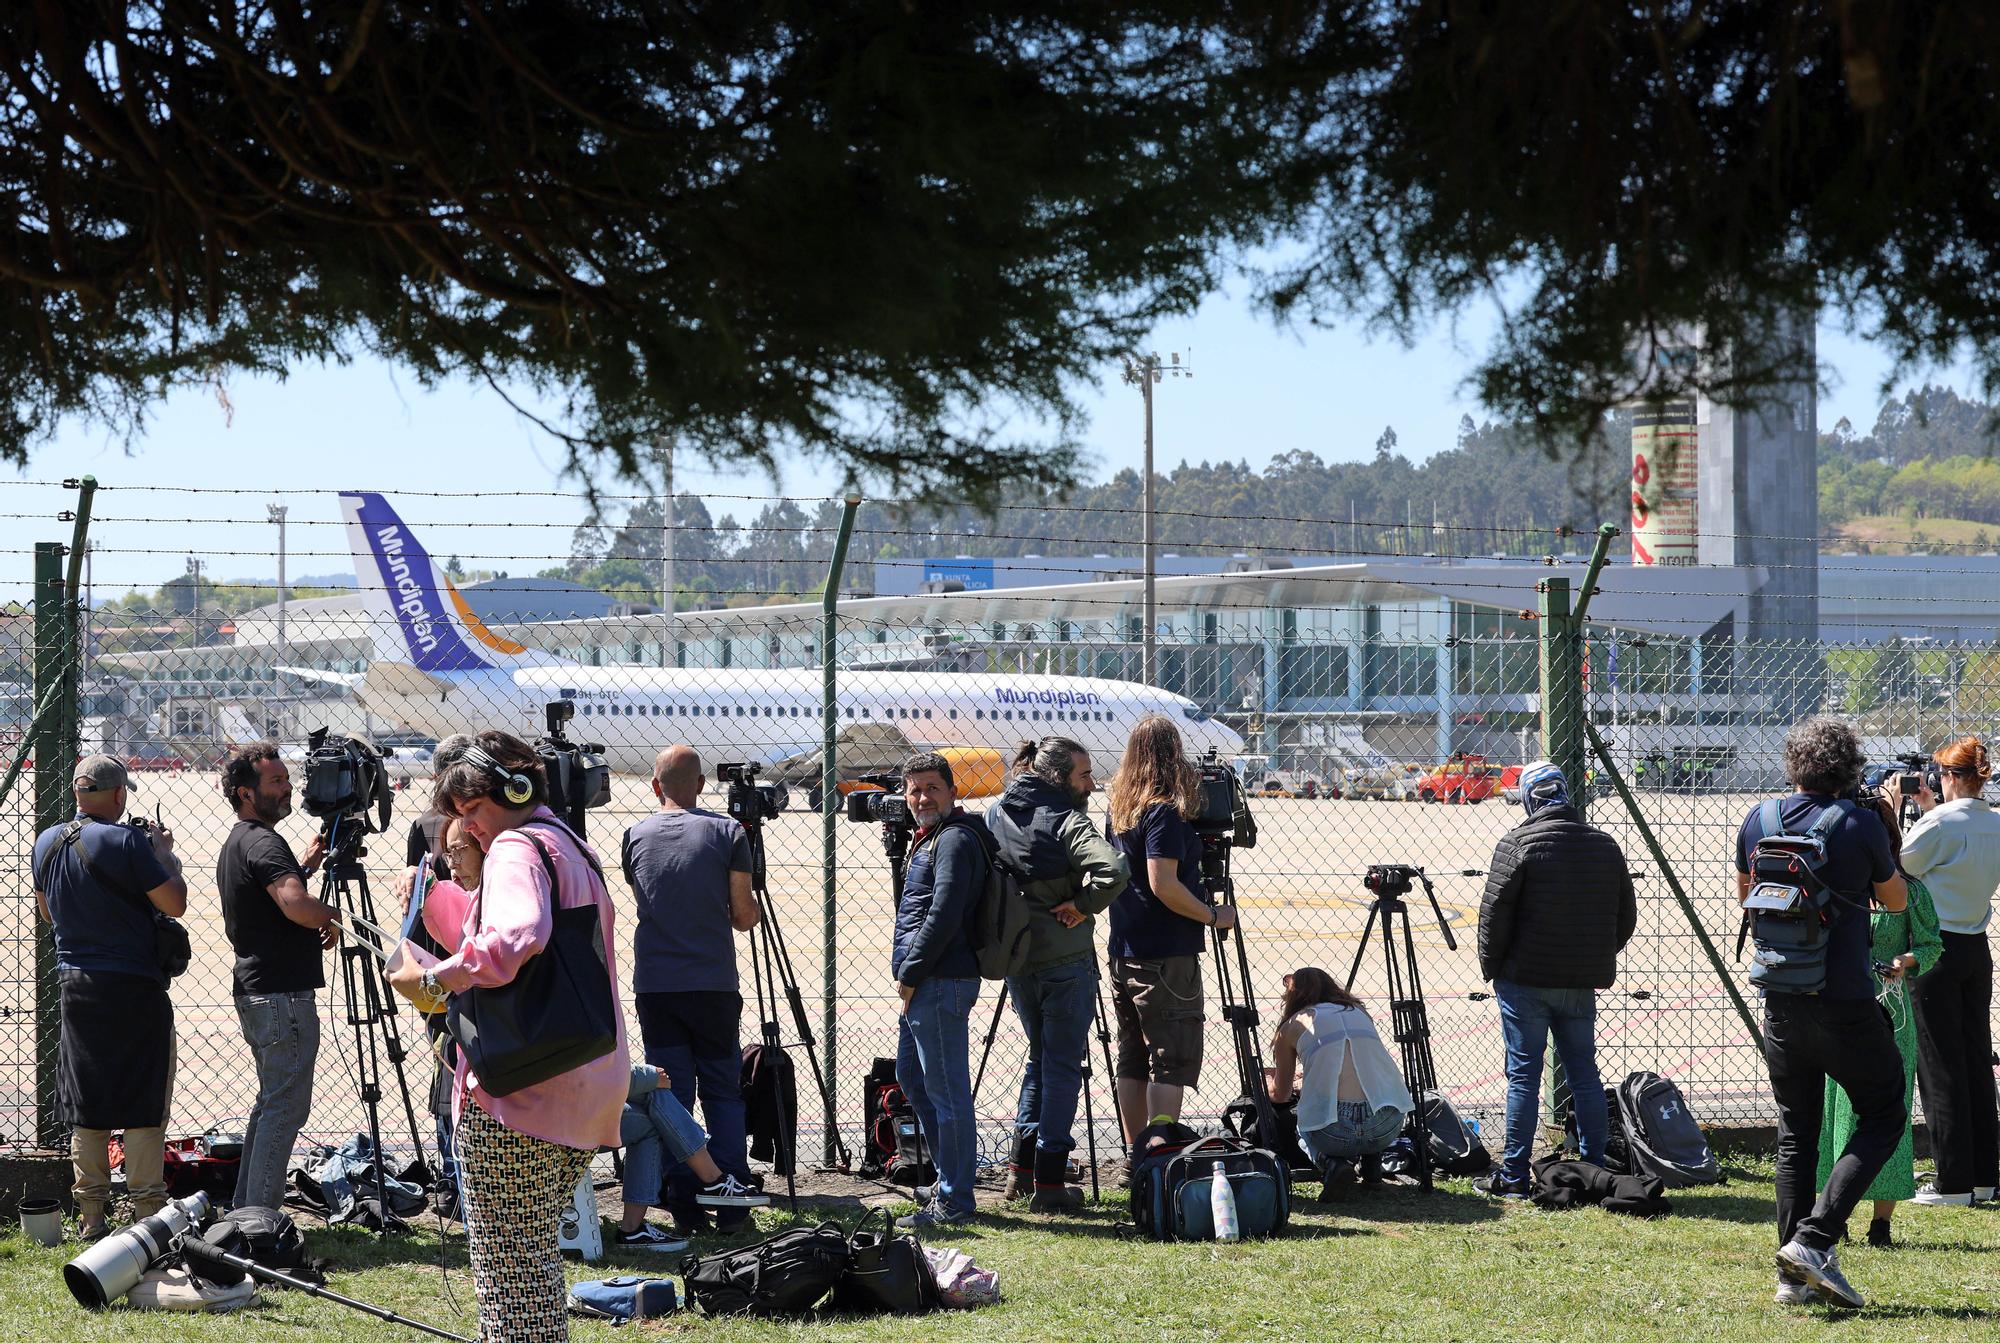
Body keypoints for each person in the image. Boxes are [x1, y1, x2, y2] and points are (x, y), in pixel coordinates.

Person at [386, 730, 630, 1343]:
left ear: (514, 789)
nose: (466, 830)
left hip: (521, 1096)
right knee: (530, 1261)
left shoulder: (515, 849)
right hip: (582, 1081)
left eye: (471, 811)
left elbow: (517, 938)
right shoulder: (564, 844)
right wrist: (437, 900)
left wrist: (434, 983)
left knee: (508, 1272)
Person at [1738, 716, 1908, 1310]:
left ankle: (1793, 1276)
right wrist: (1883, 832)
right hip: (1844, 1000)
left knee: (1796, 1133)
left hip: (1781, 999)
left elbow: (1747, 898)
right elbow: (1895, 899)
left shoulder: (1758, 819)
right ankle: (1813, 1241)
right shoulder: (1858, 821)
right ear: (1849, 767)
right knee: (1884, 1112)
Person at [32, 754, 188, 1239]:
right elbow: (175, 903)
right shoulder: (128, 842)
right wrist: (162, 853)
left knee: (89, 1101)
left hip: (76, 982)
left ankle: (92, 1215)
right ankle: (147, 1214)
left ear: (78, 794)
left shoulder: (47, 841)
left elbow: (48, 913)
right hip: (135, 986)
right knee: (143, 1096)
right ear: (119, 795)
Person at [1473, 759, 1635, 1200]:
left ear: (1529, 798)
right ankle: (1594, 1169)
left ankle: (1512, 1177)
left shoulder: (1517, 842)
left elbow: (1493, 915)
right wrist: (1593, 957)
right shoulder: (1603, 845)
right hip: (1579, 981)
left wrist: (1494, 968)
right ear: (1566, 794)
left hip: (1524, 979)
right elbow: (1625, 916)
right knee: (1584, 1072)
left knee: (1524, 1076)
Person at [621, 744, 760, 1235]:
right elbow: (743, 917)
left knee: (671, 1092)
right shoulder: (727, 831)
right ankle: (732, 1190)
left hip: (657, 984)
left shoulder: (635, 836)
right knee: (723, 1089)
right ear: (701, 785)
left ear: (656, 786)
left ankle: (682, 1195)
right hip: (712, 984)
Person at [985, 736, 1129, 1211]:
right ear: (1058, 777)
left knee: (1039, 1060)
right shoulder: (1067, 819)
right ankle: (1049, 1182)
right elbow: (1113, 871)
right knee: (1063, 1065)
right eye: (1083, 775)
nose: (1091, 784)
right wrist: (1082, 905)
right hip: (1065, 960)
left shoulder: (995, 815)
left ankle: (1020, 1173)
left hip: (1017, 958)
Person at [1103, 713, 1233, 1147]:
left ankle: (1136, 1153)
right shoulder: (1162, 811)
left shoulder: (1121, 809)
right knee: (1169, 1059)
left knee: (1133, 1059)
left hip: (1125, 948)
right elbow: (1164, 884)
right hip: (1164, 953)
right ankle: (1160, 1155)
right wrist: (1213, 915)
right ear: (1172, 755)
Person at [216, 741, 335, 1212]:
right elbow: (294, 905)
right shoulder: (264, 841)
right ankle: (259, 1218)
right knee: (285, 1108)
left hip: (260, 993)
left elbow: (275, 895)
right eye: (276, 782)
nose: (287, 789)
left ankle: (247, 1206)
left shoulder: (243, 839)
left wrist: (303, 866)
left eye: (287, 779)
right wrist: (331, 915)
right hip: (280, 996)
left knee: (272, 1104)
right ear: (247, 793)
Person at [1815, 856, 1941, 1247]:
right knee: (1838, 1109)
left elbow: (1931, 945)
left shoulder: (1912, 893)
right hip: (1843, 1006)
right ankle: (1837, 1215)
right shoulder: (1839, 890)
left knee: (1890, 1107)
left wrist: (1903, 962)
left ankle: (1881, 1224)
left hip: (1891, 1014)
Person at [889, 751, 988, 1230]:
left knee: (948, 1092)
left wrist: (911, 972)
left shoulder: (952, 841)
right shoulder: (927, 839)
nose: (922, 797)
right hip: (926, 980)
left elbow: (944, 913)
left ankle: (955, 1199)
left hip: (939, 979)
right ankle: (951, 1177)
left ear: (952, 791)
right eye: (914, 789)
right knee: (912, 1076)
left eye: (932, 787)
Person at [1900, 735, 2000, 1207]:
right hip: (1975, 948)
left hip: (1936, 947)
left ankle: (1953, 1182)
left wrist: (1913, 810)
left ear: (1951, 778)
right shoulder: (1993, 823)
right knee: (1977, 1060)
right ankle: (1984, 1175)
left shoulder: (1938, 821)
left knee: (1939, 1064)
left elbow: (1901, 865)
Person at [404, 734, 473, 1217]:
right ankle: (463, 1175)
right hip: (469, 957)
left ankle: (451, 1176)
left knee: (444, 1063)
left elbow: (414, 900)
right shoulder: (478, 826)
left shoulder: (425, 825)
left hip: (434, 962)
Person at [1265, 968, 1413, 1183]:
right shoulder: (1358, 1012)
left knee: (1302, 1121)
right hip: (1386, 1125)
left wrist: (1266, 1082)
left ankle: (1331, 1163)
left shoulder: (1291, 1026)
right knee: (1369, 1096)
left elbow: (1280, 1094)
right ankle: (1371, 1164)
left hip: (1336, 1133)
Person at [617, 1064, 770, 1250]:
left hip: (585, 1113)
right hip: (578, 1125)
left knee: (655, 1099)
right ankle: (713, 1181)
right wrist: (646, 1077)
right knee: (655, 1095)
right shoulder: (582, 1035)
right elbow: (590, 1078)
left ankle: (633, 1230)